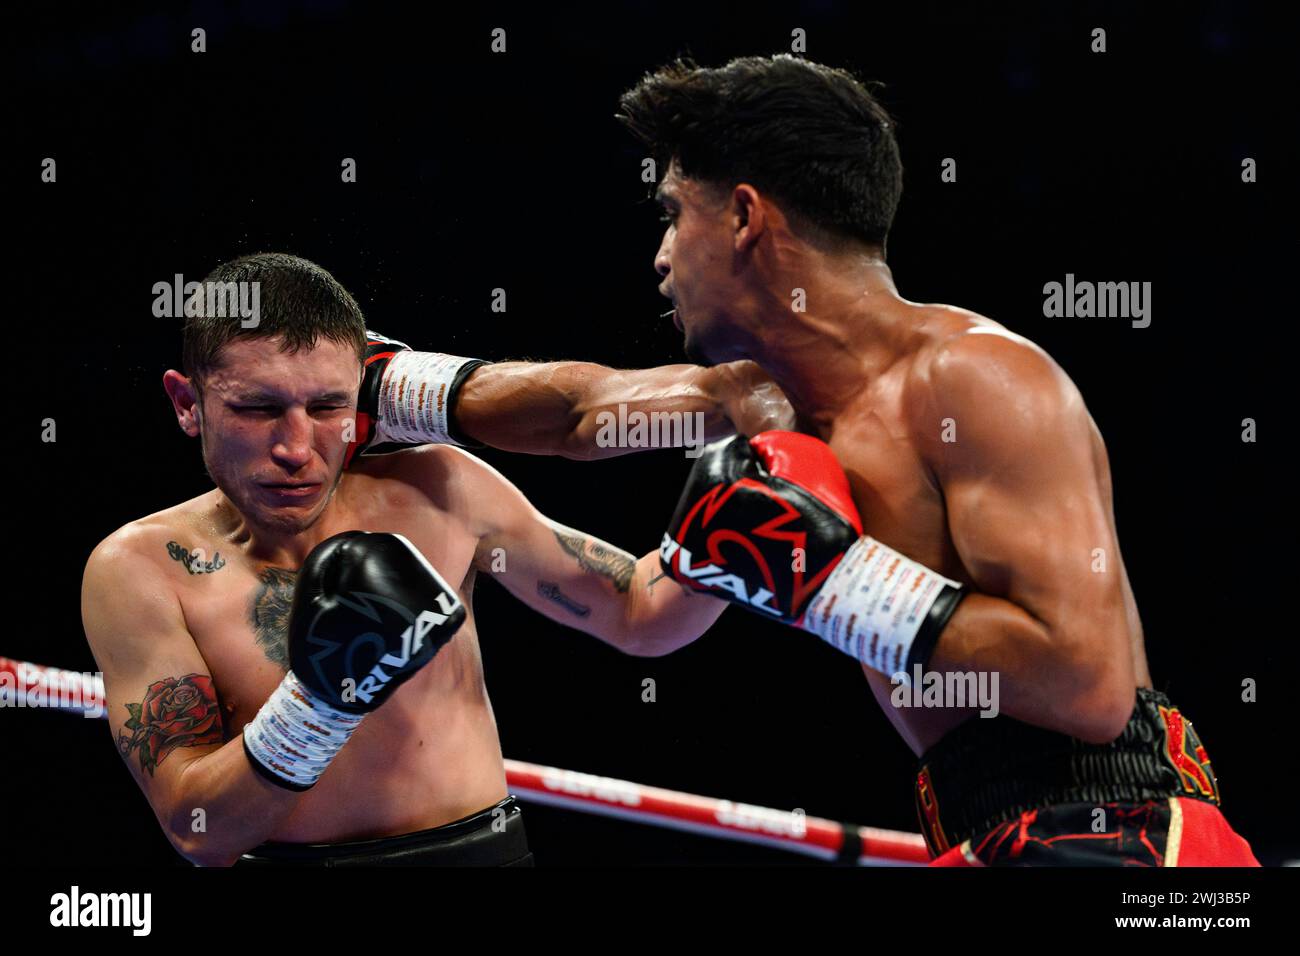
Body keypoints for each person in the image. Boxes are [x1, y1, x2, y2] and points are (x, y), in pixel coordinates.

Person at [620, 54, 1258, 866]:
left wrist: (834, 583)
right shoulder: (773, 412)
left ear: (745, 215)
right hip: (977, 831)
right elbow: (574, 412)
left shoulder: (973, 375)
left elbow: (1086, 685)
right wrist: (414, 395)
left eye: (674, 214)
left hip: (1115, 830)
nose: (662, 256)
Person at [81, 252, 786, 866]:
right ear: (187, 402)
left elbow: (638, 613)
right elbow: (197, 830)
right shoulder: (142, 569)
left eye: (328, 406)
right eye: (258, 409)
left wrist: (717, 546)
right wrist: (318, 705)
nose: (296, 447)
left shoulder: (438, 490)